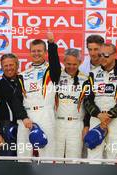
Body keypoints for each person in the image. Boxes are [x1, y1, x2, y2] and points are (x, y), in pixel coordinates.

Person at [83, 43, 117, 160]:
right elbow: (87, 98)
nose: (102, 58)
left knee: (113, 154)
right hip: (97, 118)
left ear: (114, 55)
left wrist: (110, 115)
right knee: (94, 154)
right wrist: (98, 115)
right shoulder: (93, 73)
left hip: (116, 119)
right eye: (100, 55)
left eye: (106, 55)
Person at [47, 32, 89, 160]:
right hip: (58, 122)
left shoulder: (86, 79)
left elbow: (89, 104)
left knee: (74, 159)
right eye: (68, 64)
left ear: (80, 63)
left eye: (74, 64)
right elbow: (53, 61)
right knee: (56, 158)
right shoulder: (56, 76)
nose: (71, 67)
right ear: (64, 61)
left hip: (76, 124)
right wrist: (51, 44)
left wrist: (86, 125)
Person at [17, 39, 57, 158]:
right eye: (33, 51)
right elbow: (17, 100)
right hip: (26, 116)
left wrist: (51, 44)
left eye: (39, 51)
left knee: (47, 154)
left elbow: (55, 62)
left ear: (45, 52)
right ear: (29, 53)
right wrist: (24, 117)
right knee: (23, 154)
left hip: (45, 113)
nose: (36, 53)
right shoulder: (22, 75)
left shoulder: (52, 71)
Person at [0, 53, 28, 156]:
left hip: (26, 125)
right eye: (5, 66)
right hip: (7, 128)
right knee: (8, 163)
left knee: (25, 160)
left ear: (17, 65)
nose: (9, 68)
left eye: (11, 65)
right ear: (1, 67)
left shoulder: (24, 80)